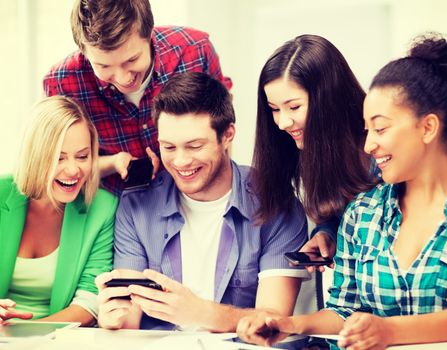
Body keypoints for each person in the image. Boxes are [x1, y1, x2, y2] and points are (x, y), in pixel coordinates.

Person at [237, 34, 447, 349]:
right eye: (367, 130)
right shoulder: (362, 212)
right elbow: (343, 310)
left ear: (428, 127)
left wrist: (389, 331)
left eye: (380, 129)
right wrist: (286, 324)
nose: (368, 145)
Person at [95, 72, 309, 332]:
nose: (181, 162)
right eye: (169, 148)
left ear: (228, 135)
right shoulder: (136, 207)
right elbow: (129, 321)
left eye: (194, 146)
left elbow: (274, 322)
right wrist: (114, 318)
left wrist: (199, 312)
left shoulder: (276, 204)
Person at [43, 0, 231, 195]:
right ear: (84, 50)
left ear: (149, 34)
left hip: (195, 198)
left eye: (132, 60)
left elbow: (221, 128)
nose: (124, 78)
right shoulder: (61, 83)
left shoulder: (196, 51)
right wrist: (113, 162)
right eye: (104, 66)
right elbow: (52, 165)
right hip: (113, 206)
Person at [251, 34, 375, 270]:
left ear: (328, 99)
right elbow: (337, 217)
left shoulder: (380, 153)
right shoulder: (308, 149)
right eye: (274, 109)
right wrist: (327, 234)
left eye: (294, 107)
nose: (282, 123)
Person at [0, 96, 118, 325]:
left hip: (59, 339)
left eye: (82, 156)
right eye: (59, 158)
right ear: (36, 156)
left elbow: (89, 301)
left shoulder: (103, 208)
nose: (73, 169)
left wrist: (27, 333)